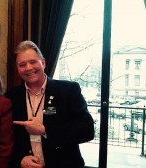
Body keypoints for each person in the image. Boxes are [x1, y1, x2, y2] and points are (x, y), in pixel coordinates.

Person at [5, 40, 95, 168]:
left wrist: (44, 130)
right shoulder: (12, 96)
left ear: (43, 62)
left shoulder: (68, 90)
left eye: (33, 62)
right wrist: (19, 159)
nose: (28, 68)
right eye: (22, 64)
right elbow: (6, 139)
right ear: (18, 69)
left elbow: (87, 130)